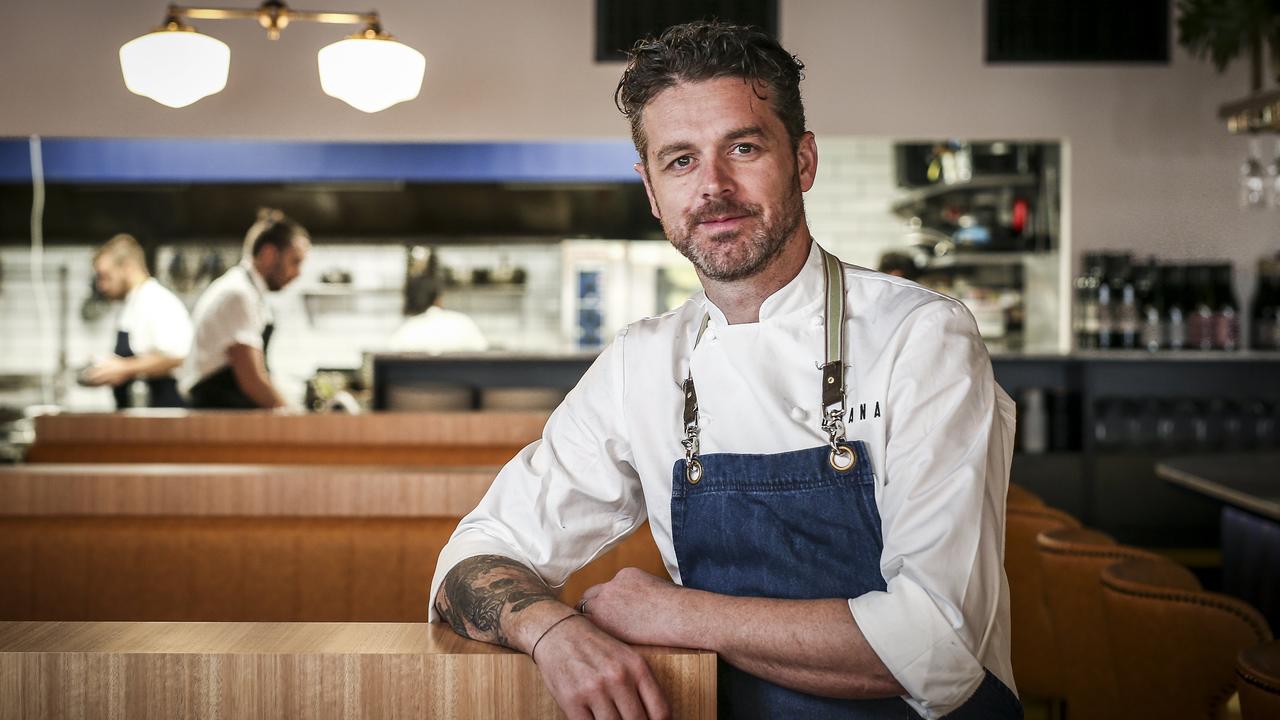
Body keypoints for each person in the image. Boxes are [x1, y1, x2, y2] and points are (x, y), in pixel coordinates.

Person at [430, 21, 1020, 720]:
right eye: (679, 161)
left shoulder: (920, 337)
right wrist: (551, 631)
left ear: (802, 162)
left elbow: (937, 647)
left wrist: (675, 615)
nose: (713, 187)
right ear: (652, 192)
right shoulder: (641, 364)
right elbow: (467, 564)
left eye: (742, 147)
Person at [181, 208, 310, 409]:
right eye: (295, 262)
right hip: (216, 417)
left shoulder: (246, 291)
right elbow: (253, 381)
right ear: (268, 254)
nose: (298, 273)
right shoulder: (239, 295)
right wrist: (291, 418)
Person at [83, 233, 193, 408]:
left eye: (105, 276)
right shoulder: (133, 303)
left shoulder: (156, 301)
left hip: (163, 417)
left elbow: (179, 356)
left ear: (127, 267)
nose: (101, 286)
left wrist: (124, 368)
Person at [388, 246, 488, 353]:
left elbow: (391, 354)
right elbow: (482, 349)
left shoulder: (406, 331)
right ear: (438, 300)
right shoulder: (463, 323)